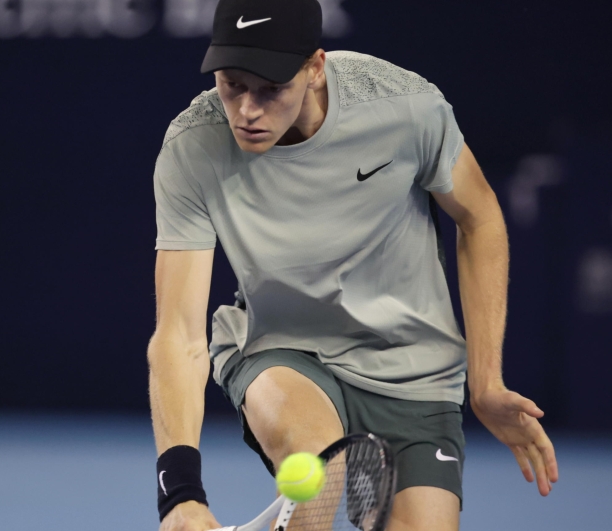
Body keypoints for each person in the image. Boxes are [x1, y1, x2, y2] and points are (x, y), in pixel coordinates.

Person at [148, 0, 559, 529]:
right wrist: (180, 495)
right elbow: (178, 335)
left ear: (315, 68)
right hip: (281, 348)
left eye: (270, 88)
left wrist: (485, 381)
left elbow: (480, 218)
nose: (247, 110)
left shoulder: (404, 106)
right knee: (317, 463)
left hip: (414, 371)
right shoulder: (193, 146)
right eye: (232, 84)